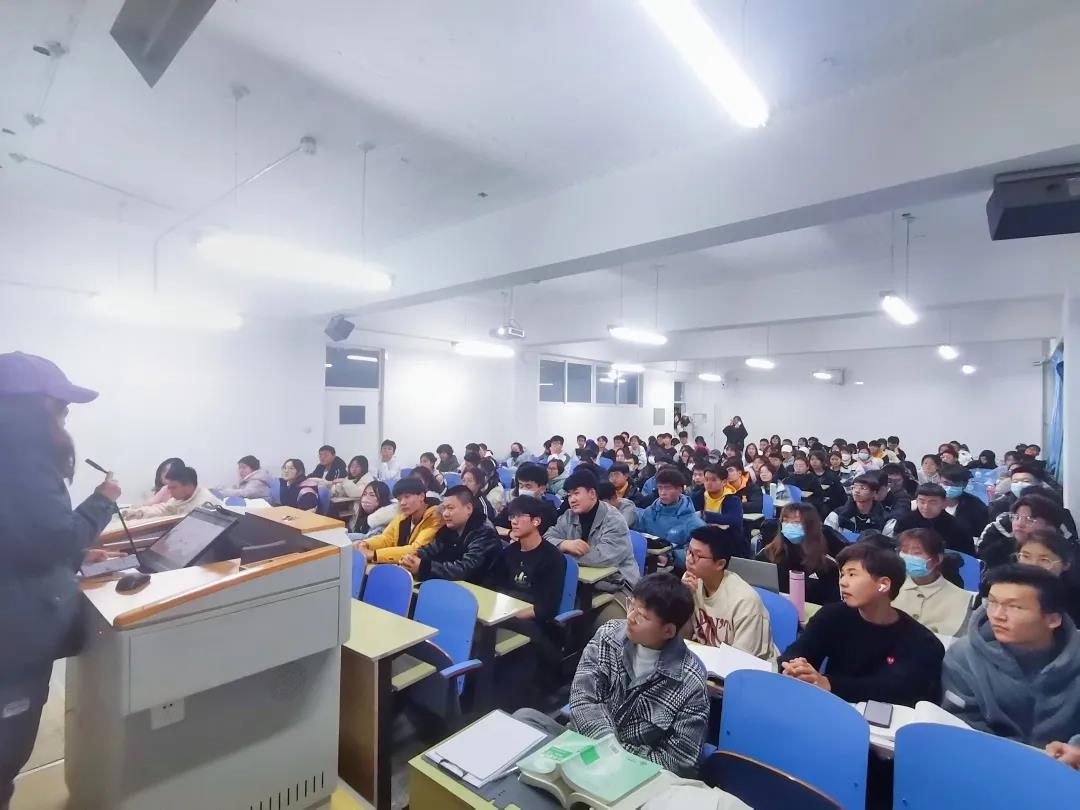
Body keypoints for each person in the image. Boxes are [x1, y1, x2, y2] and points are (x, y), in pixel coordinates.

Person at [0, 352, 125, 807]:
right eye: (59, 403)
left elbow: (21, 540)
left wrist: (73, 554)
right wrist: (103, 499)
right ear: (27, 406)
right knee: (4, 757)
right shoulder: (23, 462)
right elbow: (52, 538)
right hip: (14, 639)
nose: (66, 412)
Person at [516, 573, 708, 777]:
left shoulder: (690, 682)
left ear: (668, 631)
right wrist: (604, 746)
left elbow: (679, 763)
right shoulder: (609, 635)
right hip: (583, 745)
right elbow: (582, 697)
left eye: (642, 616)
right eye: (631, 606)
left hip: (633, 773)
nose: (630, 618)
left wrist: (617, 755)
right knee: (524, 718)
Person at [781, 542, 945, 705]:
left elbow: (896, 690)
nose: (843, 582)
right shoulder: (832, 615)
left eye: (852, 575)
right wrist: (794, 668)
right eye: (842, 574)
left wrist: (830, 683)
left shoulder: (921, 641)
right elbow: (799, 650)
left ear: (884, 585)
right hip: (828, 705)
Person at [941, 564, 1080, 755]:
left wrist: (1074, 749)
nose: (997, 615)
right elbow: (960, 721)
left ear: (1053, 619)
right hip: (989, 759)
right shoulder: (964, 656)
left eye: (1014, 607)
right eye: (992, 603)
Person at [487, 496, 568, 683]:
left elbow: (545, 609)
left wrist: (507, 614)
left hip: (538, 626)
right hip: (506, 615)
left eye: (519, 516)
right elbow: (493, 586)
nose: (513, 521)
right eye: (511, 516)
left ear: (536, 521)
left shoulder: (552, 558)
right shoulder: (509, 552)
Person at [544, 469, 639, 614]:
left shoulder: (614, 519)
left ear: (592, 493)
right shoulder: (569, 516)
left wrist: (563, 556)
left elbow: (603, 557)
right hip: (579, 581)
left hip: (616, 584)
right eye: (569, 495)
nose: (572, 500)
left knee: (601, 619)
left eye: (576, 493)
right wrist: (564, 544)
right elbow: (546, 539)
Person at [682, 526, 776, 661]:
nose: (689, 560)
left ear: (720, 564)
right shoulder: (691, 581)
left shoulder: (745, 601)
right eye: (689, 551)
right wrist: (684, 600)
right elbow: (684, 638)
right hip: (707, 661)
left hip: (748, 668)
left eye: (697, 556)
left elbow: (741, 661)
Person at [399, 486, 501, 584]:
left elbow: (465, 570)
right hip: (451, 586)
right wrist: (413, 557)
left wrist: (423, 567)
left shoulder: (485, 533)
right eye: (444, 508)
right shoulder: (449, 529)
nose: (445, 514)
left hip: (482, 589)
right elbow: (432, 549)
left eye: (450, 508)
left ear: (469, 508)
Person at [892, 528, 973, 637]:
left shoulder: (962, 599)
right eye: (904, 551)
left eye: (917, 553)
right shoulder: (890, 584)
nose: (908, 557)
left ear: (937, 559)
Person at [757, 504, 841, 604]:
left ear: (811, 526)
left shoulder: (827, 566)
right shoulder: (766, 555)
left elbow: (831, 603)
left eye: (796, 522)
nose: (789, 525)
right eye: (785, 521)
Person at [354, 477, 442, 563]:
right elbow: (387, 538)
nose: (402, 503)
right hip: (402, 564)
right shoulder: (403, 516)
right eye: (399, 499)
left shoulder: (435, 517)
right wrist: (366, 544)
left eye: (407, 497)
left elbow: (416, 549)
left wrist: (374, 555)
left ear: (422, 496)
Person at [979, 493, 1070, 570]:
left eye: (1029, 519)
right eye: (1016, 517)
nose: (1019, 524)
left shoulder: (1064, 553)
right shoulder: (997, 552)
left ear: (1050, 527)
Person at [637, 468, 706, 567]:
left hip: (675, 569)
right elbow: (639, 536)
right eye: (660, 488)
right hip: (644, 562)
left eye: (668, 488)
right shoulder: (649, 512)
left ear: (680, 490)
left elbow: (696, 554)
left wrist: (671, 557)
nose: (662, 492)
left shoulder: (694, 523)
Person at [1014, 528, 1080, 624]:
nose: (1033, 565)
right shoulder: (1005, 586)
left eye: (1044, 560)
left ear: (1066, 565)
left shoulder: (1074, 599)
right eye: (1026, 556)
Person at [891, 483, 975, 555]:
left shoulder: (959, 528)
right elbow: (897, 547)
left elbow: (967, 556)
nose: (926, 507)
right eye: (922, 501)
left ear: (944, 503)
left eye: (932, 502)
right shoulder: (905, 522)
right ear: (916, 501)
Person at [122, 465, 220, 519]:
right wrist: (139, 513)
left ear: (188, 486)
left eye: (173, 487)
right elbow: (164, 509)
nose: (169, 491)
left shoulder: (205, 506)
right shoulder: (181, 498)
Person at [691, 465, 748, 557]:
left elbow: (735, 520)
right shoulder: (697, 497)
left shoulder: (732, 499)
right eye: (706, 479)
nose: (708, 483)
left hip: (727, 541)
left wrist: (705, 515)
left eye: (713, 480)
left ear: (724, 482)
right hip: (702, 539)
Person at [494, 463, 558, 535]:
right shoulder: (514, 505)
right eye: (521, 486)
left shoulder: (548, 511)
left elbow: (545, 536)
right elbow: (495, 527)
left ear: (542, 489)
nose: (523, 490)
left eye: (528, 486)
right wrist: (510, 533)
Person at [825, 474, 891, 537]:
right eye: (854, 487)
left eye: (863, 488)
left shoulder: (885, 518)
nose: (856, 491)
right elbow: (829, 537)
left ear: (874, 493)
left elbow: (887, 541)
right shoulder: (837, 514)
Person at [939, 463, 989, 540]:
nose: (949, 487)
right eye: (946, 483)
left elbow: (982, 534)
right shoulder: (929, 500)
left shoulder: (976, 506)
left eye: (954, 484)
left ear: (964, 485)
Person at [809, 450, 845, 515]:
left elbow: (840, 495)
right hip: (813, 508)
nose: (814, 461)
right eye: (812, 459)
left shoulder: (832, 476)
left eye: (817, 459)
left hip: (831, 508)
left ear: (823, 461)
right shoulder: (808, 476)